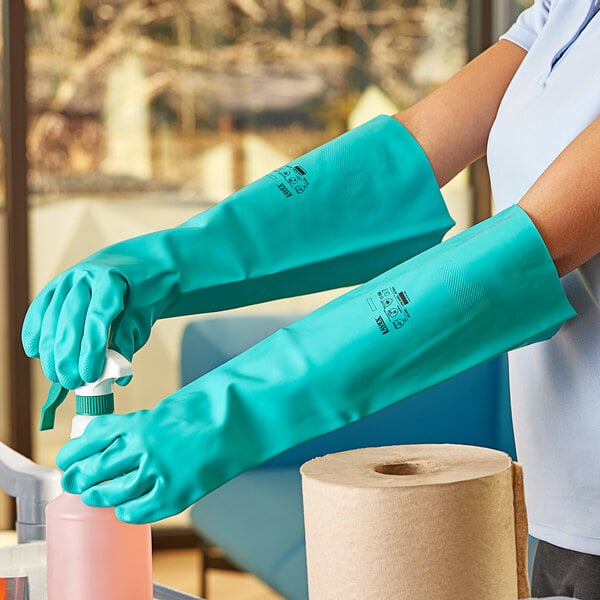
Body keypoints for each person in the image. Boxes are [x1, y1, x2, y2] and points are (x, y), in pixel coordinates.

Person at [21, 1, 600, 597]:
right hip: (565, 521)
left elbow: (529, 250)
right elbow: (395, 164)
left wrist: (230, 411)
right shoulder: (566, 11)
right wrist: (161, 265)